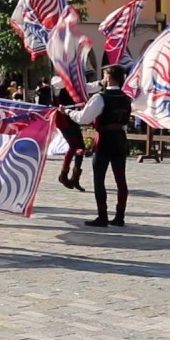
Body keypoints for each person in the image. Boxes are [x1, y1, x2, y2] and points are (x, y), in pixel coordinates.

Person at [68, 65, 133, 227]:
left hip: (104, 139)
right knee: (120, 179)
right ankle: (120, 216)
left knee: (99, 179)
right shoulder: (126, 98)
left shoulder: (100, 97)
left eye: (104, 75)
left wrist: (67, 112)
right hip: (120, 139)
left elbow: (83, 118)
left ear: (109, 78)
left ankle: (102, 216)